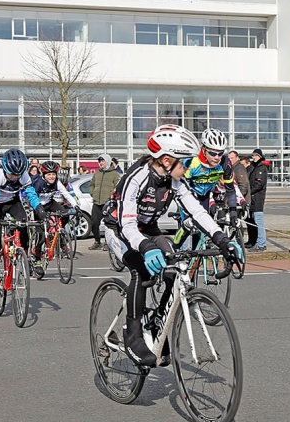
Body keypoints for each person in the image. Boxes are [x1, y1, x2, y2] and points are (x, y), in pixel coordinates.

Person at [103, 124, 242, 367]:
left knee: (174, 268)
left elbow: (197, 210)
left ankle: (158, 321)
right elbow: (127, 225)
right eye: (183, 161)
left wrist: (222, 239)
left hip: (148, 228)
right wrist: (145, 247)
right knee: (142, 272)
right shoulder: (136, 178)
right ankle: (132, 334)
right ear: (167, 160)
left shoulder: (174, 179)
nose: (186, 166)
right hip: (119, 228)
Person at [0, 149, 47, 307]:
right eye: (12, 175)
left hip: (12, 203)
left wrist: (39, 208)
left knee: (23, 223)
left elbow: (31, 194)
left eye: (17, 175)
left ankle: (22, 256)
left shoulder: (23, 175)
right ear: (5, 169)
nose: (14, 178)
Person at [177, 127, 238, 247]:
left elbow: (230, 190)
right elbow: (179, 189)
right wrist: (187, 215)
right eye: (213, 153)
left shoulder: (225, 164)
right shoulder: (192, 162)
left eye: (220, 153)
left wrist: (233, 212)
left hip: (204, 197)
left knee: (201, 232)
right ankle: (174, 254)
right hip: (187, 196)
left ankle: (195, 262)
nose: (217, 157)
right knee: (187, 228)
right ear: (203, 149)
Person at [30, 160, 81, 272]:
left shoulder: (57, 182)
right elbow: (31, 198)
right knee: (41, 234)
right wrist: (38, 211)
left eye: (53, 174)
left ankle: (60, 233)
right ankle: (37, 259)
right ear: (43, 175)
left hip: (50, 203)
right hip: (38, 206)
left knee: (65, 214)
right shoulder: (38, 183)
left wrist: (76, 206)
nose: (52, 177)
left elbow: (66, 194)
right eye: (49, 174)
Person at [88, 154, 119, 250]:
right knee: (94, 223)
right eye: (99, 161)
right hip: (97, 202)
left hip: (108, 203)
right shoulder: (97, 173)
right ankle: (97, 241)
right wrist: (92, 193)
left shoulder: (115, 174)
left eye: (102, 161)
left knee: (108, 224)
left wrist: (112, 196)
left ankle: (107, 243)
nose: (100, 163)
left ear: (108, 162)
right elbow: (91, 184)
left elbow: (118, 187)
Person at [245, 148, 269, 251]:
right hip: (252, 200)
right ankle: (255, 242)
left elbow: (259, 184)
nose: (252, 157)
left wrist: (249, 192)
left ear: (259, 156)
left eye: (254, 155)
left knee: (259, 222)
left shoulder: (261, 168)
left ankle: (261, 244)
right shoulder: (253, 167)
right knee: (253, 222)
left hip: (257, 199)